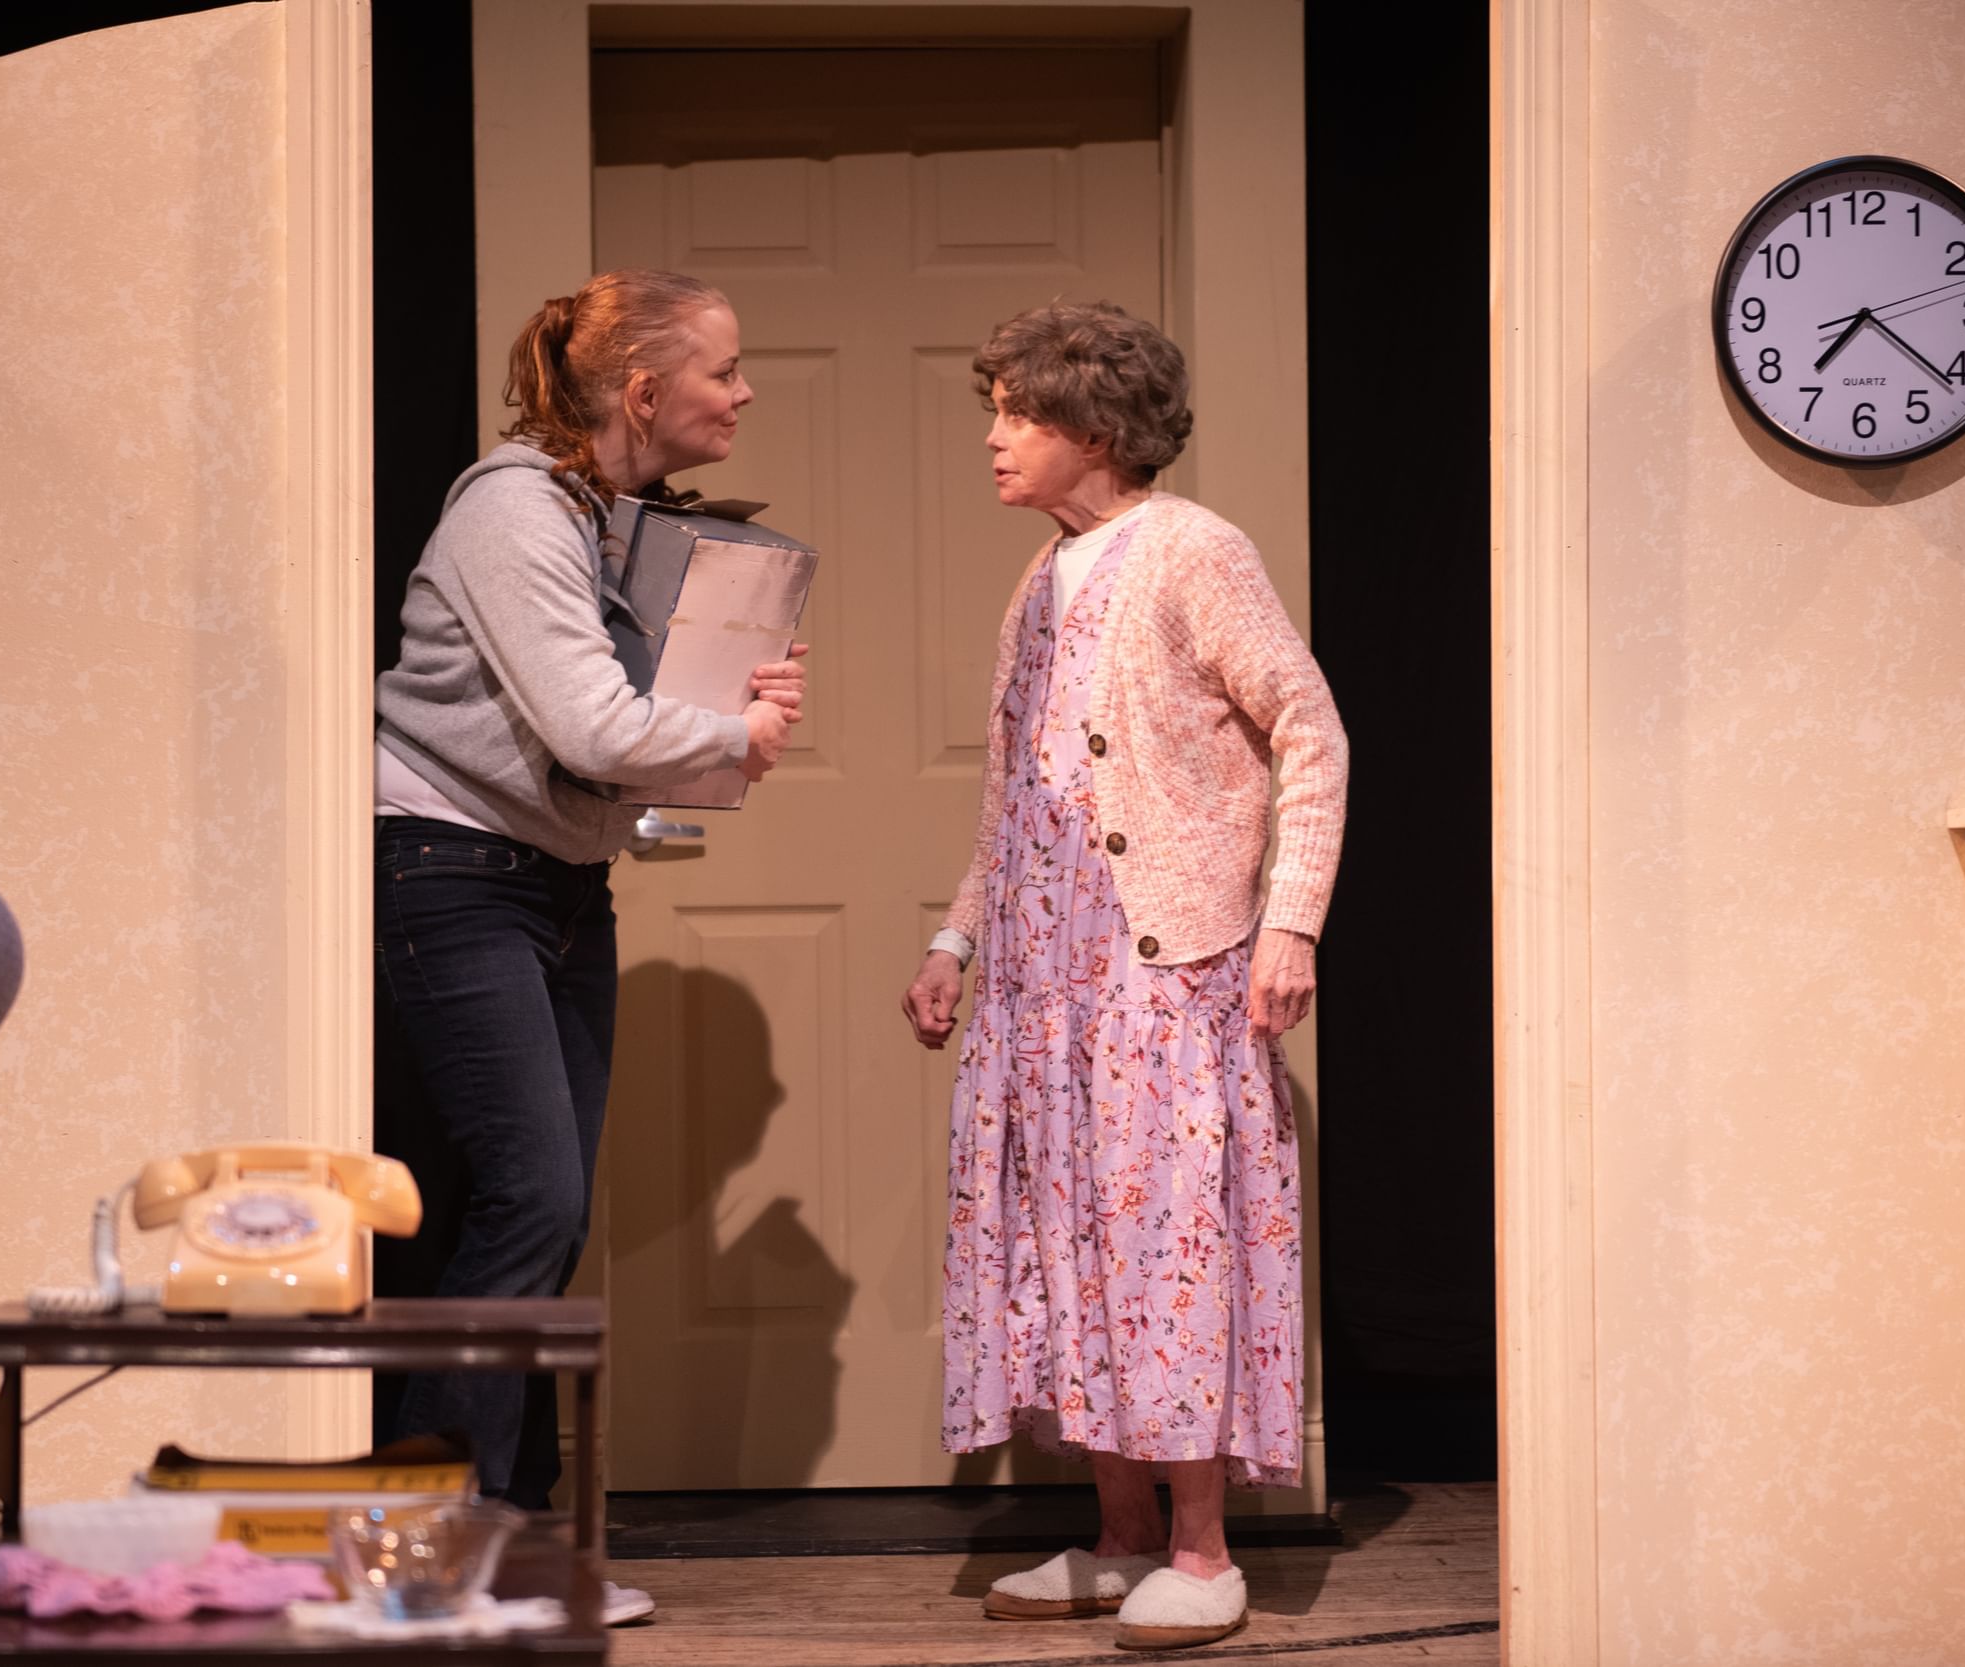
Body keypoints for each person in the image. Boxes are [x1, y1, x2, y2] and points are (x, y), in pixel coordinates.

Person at [900, 300, 1347, 1651]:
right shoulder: (1041, 578)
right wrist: (957, 938)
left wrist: (1292, 921)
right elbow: (1014, 795)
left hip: (1162, 971)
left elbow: (1309, 732)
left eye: (1016, 416)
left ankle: (1204, 1550)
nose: (992, 439)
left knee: (1163, 1246)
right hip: (1045, 980)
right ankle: (1122, 1535)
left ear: (1092, 426)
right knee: (1067, 1246)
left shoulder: (1195, 552)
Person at [374, 271, 806, 1572]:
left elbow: (610, 732)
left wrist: (726, 704)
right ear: (640, 393)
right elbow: (591, 729)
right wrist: (740, 733)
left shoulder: (601, 515)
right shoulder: (516, 513)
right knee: (527, 1198)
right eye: (723, 372)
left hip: (551, 879)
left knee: (538, 1213)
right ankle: (441, 1533)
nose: (742, 393)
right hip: (450, 872)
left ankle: (476, 1527)